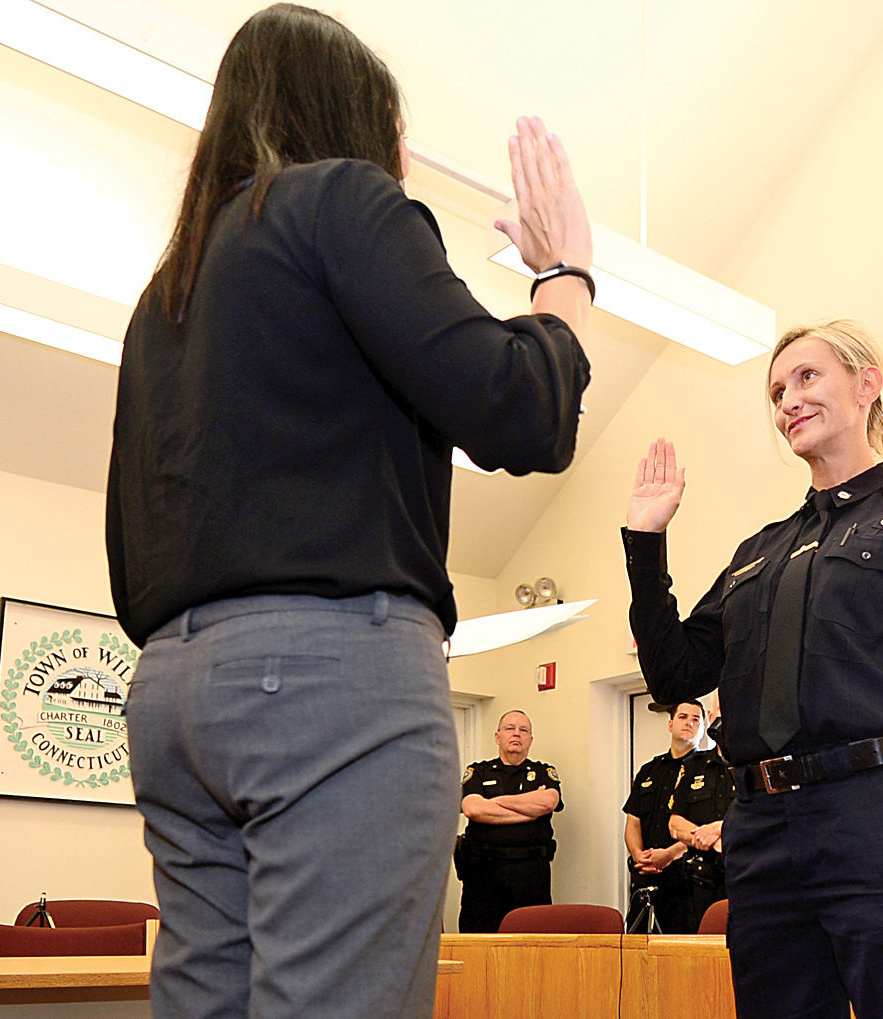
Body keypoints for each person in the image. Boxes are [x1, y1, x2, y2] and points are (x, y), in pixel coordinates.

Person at [103, 5, 592, 1015]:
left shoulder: (169, 289)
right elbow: (518, 410)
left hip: (173, 692)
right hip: (324, 677)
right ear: (353, 116)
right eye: (393, 124)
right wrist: (564, 277)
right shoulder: (340, 200)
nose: (403, 150)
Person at [623, 320, 883, 1019]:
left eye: (806, 378)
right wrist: (645, 546)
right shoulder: (758, 552)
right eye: (777, 391)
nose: (787, 402)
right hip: (762, 831)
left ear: (867, 385)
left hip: (877, 813)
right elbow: (676, 672)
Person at [623, 699, 732, 934]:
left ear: (704, 728)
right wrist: (640, 857)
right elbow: (635, 822)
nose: (689, 723)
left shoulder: (710, 767)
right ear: (670, 723)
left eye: (696, 719)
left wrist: (670, 854)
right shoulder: (650, 770)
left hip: (687, 878)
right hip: (646, 874)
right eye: (683, 717)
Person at [456, 710, 564, 932]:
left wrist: (496, 802)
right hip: (483, 877)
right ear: (497, 737)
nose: (517, 734)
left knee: (532, 946)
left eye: (523, 730)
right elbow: (473, 809)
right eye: (510, 729)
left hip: (531, 876)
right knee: (480, 946)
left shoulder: (543, 772)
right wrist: (528, 809)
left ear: (530, 740)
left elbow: (547, 803)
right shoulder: (478, 771)